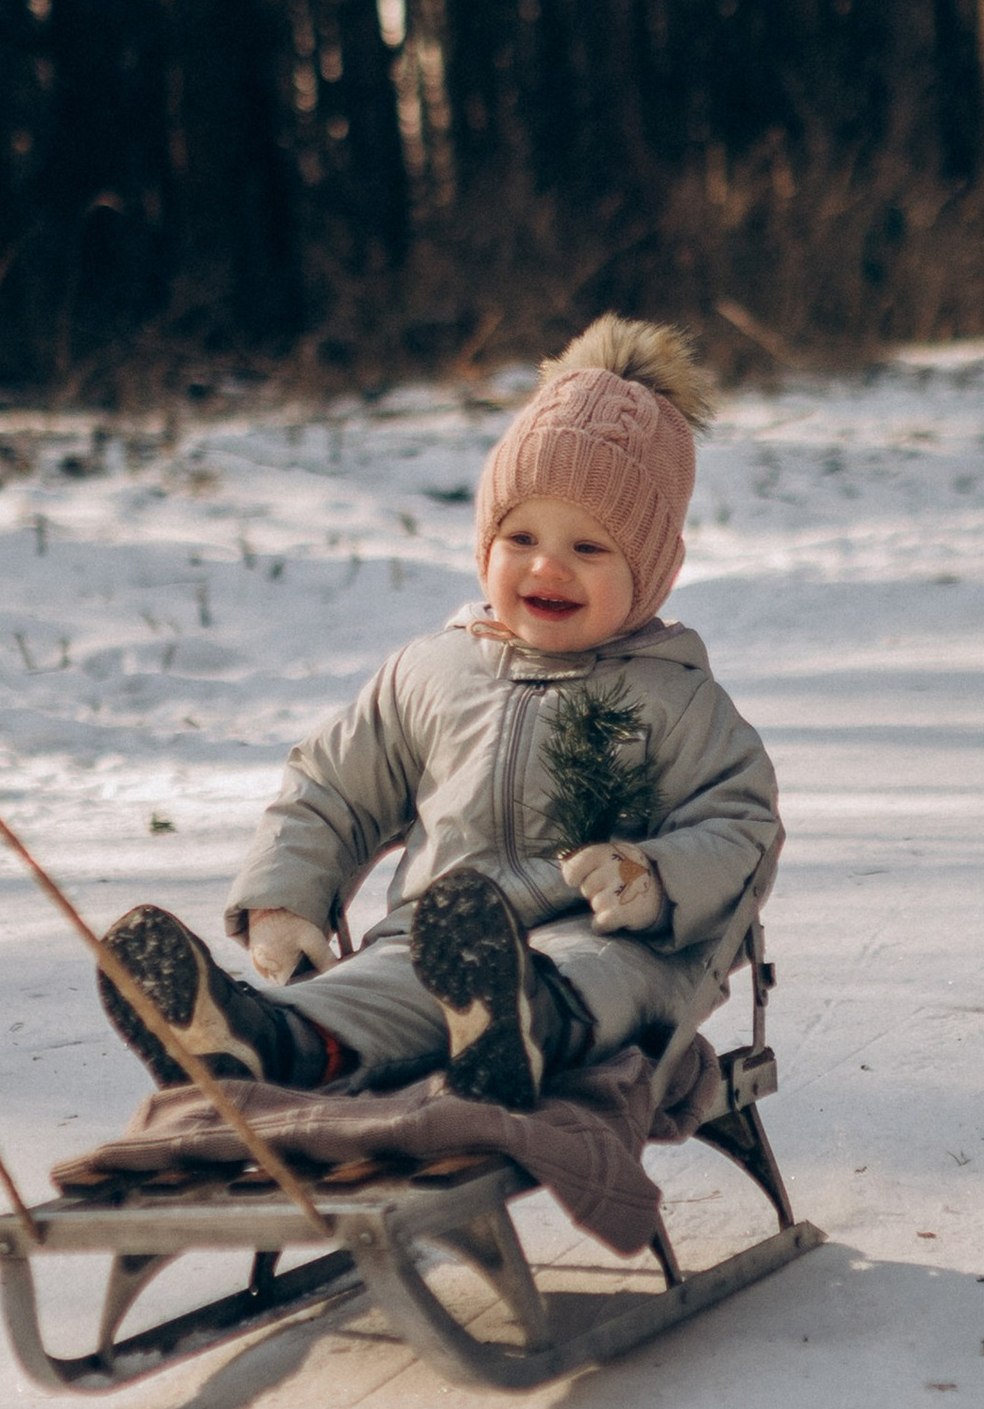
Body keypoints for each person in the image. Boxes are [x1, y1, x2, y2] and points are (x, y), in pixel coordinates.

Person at [96, 319, 780, 1108]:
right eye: (520, 536)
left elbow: (741, 829)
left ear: (651, 572)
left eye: (589, 549)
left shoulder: (675, 698)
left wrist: (653, 878)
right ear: (485, 544)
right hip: (438, 940)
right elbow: (332, 787)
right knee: (373, 990)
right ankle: (258, 1041)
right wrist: (284, 900)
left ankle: (519, 1028)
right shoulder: (433, 673)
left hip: (607, 942)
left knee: (596, 972)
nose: (546, 565)